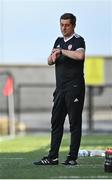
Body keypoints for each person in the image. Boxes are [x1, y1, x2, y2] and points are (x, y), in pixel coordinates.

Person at [33, 13, 86, 166]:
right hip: (60, 88)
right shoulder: (58, 41)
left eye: (67, 25)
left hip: (74, 87)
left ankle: (72, 158)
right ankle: (52, 157)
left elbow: (80, 55)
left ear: (73, 25)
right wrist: (52, 57)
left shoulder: (78, 40)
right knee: (56, 122)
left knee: (74, 123)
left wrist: (62, 51)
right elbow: (49, 60)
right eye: (61, 24)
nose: (63, 28)